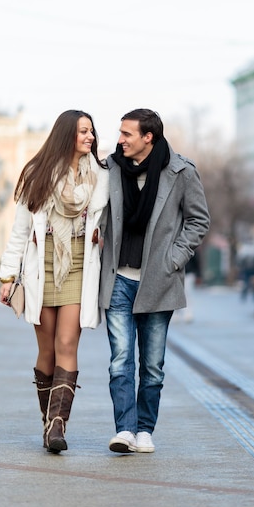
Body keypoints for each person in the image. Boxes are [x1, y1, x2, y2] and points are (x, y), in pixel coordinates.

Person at [99, 108, 210, 454]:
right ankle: (125, 430)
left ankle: (145, 429)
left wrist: (173, 260)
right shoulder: (111, 168)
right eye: (120, 133)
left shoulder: (181, 172)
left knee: (152, 365)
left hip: (158, 282)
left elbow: (198, 221)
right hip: (118, 278)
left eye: (127, 134)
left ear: (149, 137)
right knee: (120, 360)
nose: (120, 140)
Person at [0, 110, 109, 453]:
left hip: (79, 267)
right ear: (66, 136)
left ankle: (59, 425)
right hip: (41, 269)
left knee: (66, 344)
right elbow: (19, 230)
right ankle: (48, 422)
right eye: (83, 132)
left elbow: (108, 220)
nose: (90, 137)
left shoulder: (101, 175)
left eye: (91, 131)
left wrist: (101, 235)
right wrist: (7, 275)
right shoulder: (37, 173)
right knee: (46, 350)